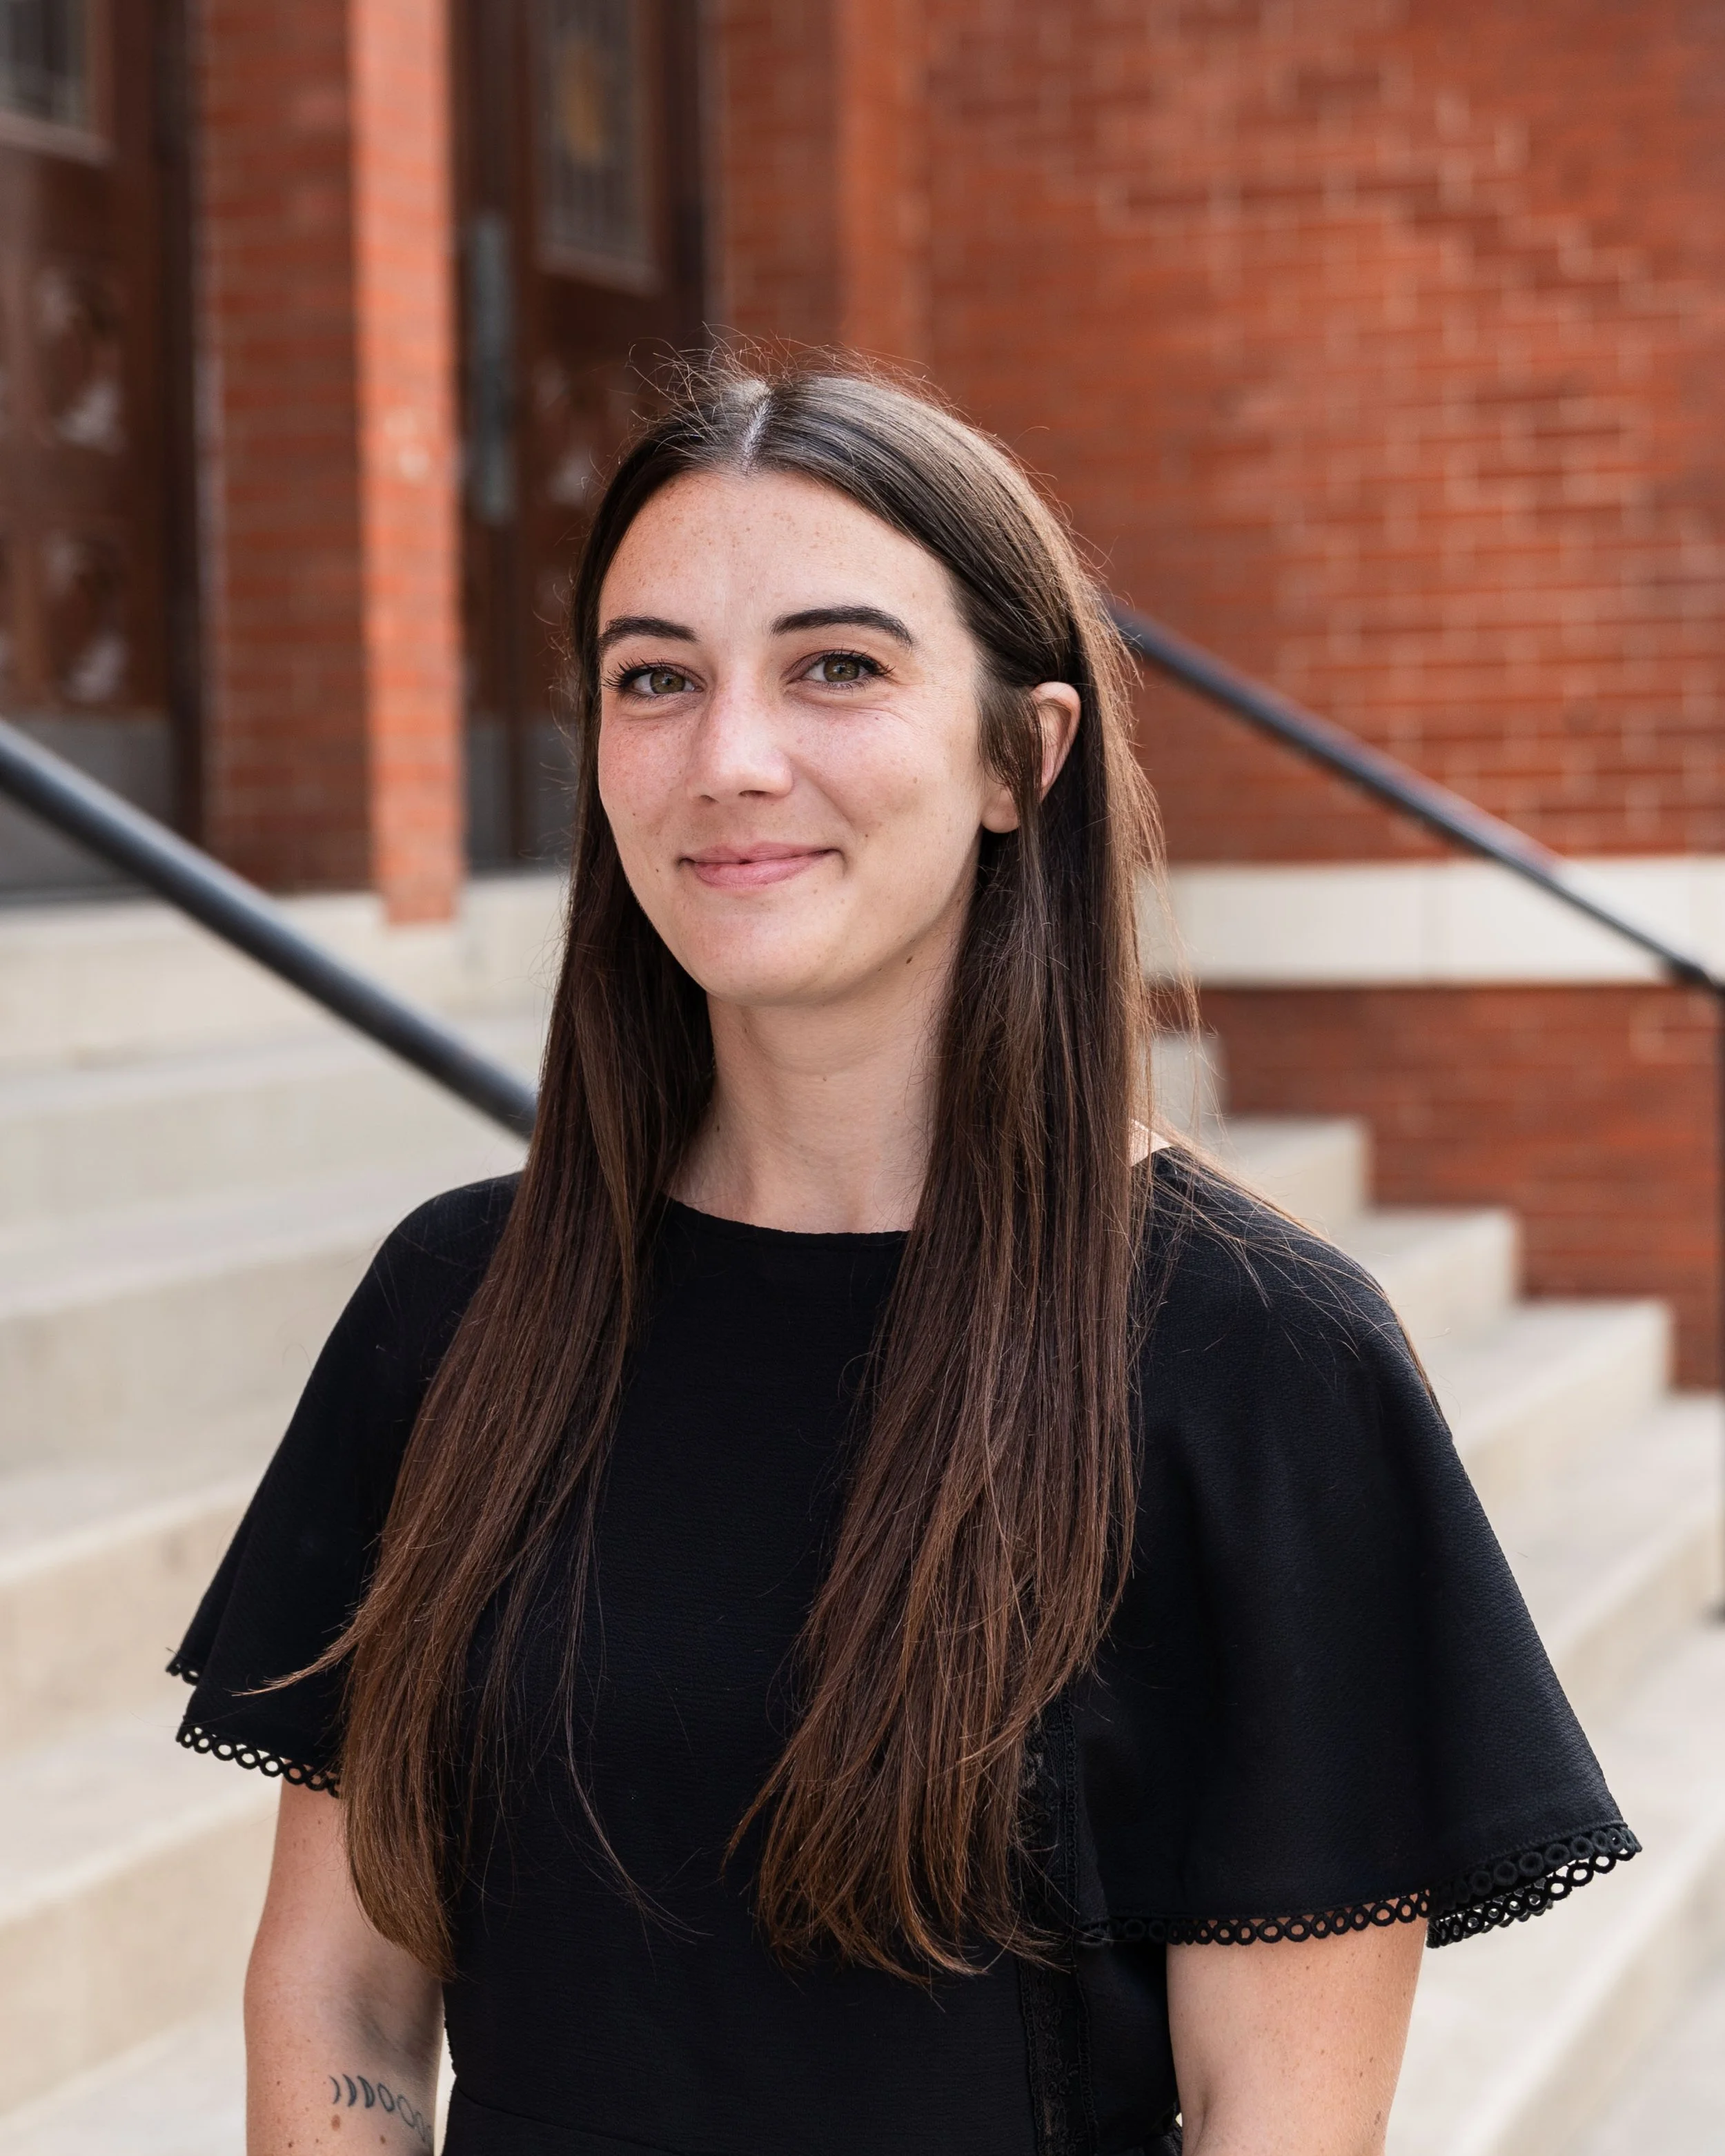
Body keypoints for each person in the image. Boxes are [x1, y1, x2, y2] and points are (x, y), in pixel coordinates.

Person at [171, 364, 1635, 2156]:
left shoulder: (1253, 1355)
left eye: (836, 666)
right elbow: (344, 1994)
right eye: (656, 678)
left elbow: (1282, 2115)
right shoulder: (454, 1310)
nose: (729, 756)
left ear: (1026, 754)